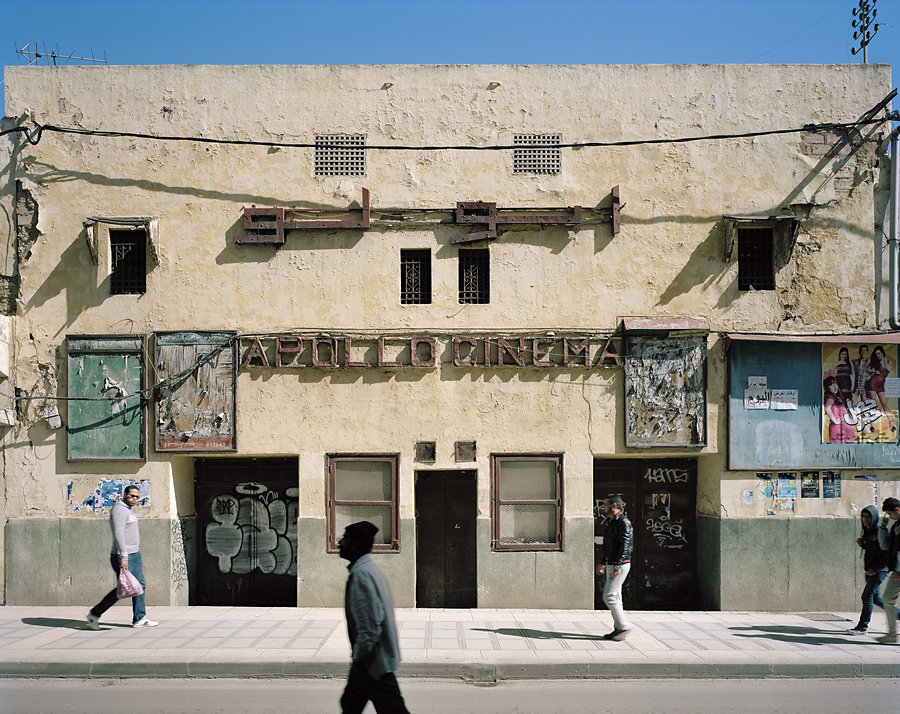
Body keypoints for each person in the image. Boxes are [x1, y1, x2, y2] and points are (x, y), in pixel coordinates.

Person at [338, 521, 410, 714]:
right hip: (371, 661)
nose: (340, 542)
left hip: (373, 662)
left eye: (345, 538)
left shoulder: (361, 575)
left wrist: (359, 657)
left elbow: (370, 628)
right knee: (350, 704)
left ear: (355, 544)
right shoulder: (370, 570)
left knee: (391, 709)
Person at [86, 484, 158, 629]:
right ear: (124, 494)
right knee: (124, 589)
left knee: (140, 585)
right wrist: (123, 556)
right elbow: (118, 534)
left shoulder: (128, 510)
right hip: (124, 556)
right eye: (132, 496)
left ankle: (139, 617)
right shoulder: (119, 510)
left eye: (137, 497)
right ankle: (94, 614)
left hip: (134, 554)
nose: (134, 499)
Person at [597, 494, 633, 641]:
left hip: (620, 564)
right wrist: (602, 562)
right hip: (613, 563)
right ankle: (618, 628)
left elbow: (626, 545)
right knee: (616, 597)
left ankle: (624, 626)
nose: (603, 507)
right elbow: (609, 545)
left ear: (613, 506)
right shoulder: (612, 521)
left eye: (605, 504)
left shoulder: (623, 522)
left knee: (609, 596)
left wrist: (618, 564)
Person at [848, 505, 888, 633]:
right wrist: (863, 544)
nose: (865, 519)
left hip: (878, 570)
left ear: (874, 517)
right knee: (875, 598)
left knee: (867, 597)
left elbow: (884, 554)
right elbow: (873, 550)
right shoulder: (867, 531)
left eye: (868, 516)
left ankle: (862, 626)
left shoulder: (878, 531)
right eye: (863, 516)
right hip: (870, 569)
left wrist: (875, 569)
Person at [877, 497, 900, 644]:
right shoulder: (896, 525)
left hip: (899, 572)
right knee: (888, 600)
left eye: (890, 514)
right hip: (897, 570)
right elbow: (885, 545)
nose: (889, 517)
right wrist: (883, 527)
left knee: (887, 600)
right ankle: (891, 634)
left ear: (897, 510)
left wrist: (899, 571)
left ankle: (892, 635)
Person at [866, 346, 896, 433]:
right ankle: (872, 425)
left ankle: (891, 424)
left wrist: (884, 362)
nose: (877, 355)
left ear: (883, 353)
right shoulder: (875, 363)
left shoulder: (888, 363)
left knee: (884, 404)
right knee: (873, 404)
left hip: (880, 385)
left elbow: (888, 370)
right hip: (872, 384)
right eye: (876, 354)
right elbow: (868, 368)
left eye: (879, 353)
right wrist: (874, 371)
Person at [824, 376, 855, 443]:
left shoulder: (837, 397)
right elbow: (827, 408)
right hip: (837, 427)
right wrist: (835, 421)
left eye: (835, 384)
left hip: (844, 425)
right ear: (827, 387)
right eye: (831, 385)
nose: (834, 386)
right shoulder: (830, 397)